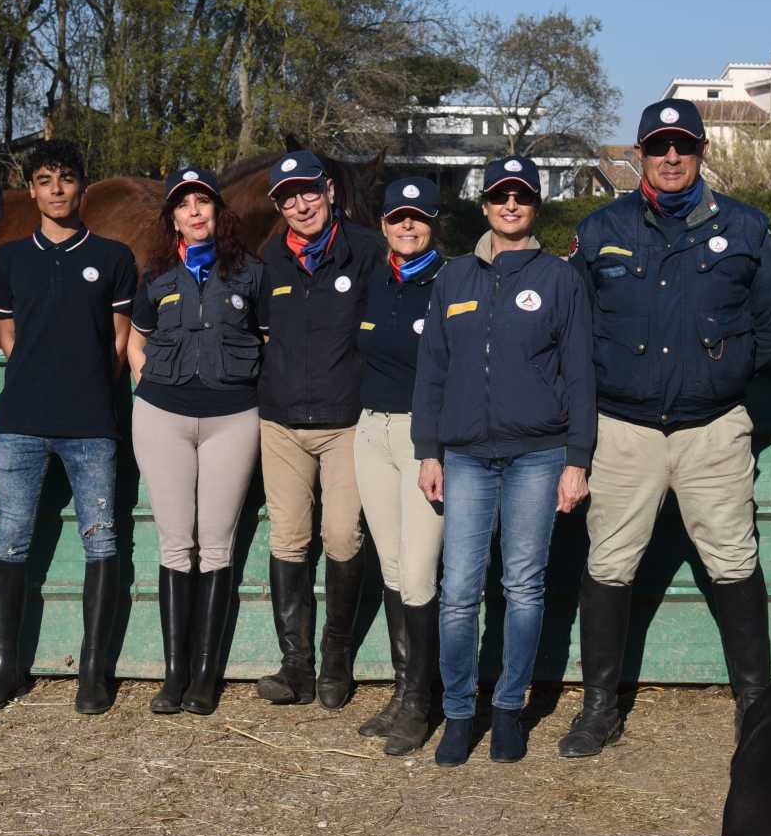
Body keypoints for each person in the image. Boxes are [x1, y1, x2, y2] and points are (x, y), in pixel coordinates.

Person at [566, 101, 771, 754]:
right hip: (623, 428)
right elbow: (573, 325)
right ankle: (600, 706)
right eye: (657, 146)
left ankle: (756, 706)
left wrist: (724, 373)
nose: (669, 157)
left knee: (734, 561)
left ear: (702, 150)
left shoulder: (746, 227)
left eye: (682, 146)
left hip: (712, 428)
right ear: (637, 154)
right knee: (608, 563)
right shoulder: (599, 228)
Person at [413, 156, 595, 766]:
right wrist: (427, 450)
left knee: (523, 586)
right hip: (464, 457)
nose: (510, 206)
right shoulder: (453, 278)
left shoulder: (560, 278)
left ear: (535, 205)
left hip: (538, 457)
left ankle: (511, 707)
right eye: (499, 197)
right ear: (484, 205)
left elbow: (580, 375)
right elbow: (432, 371)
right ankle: (460, 714)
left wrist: (578, 458)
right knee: (459, 590)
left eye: (521, 196)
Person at [0, 139, 136, 716]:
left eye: (66, 178)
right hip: (21, 424)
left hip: (92, 424)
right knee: (12, 538)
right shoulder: (10, 258)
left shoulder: (114, 257)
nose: (57, 189)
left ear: (82, 185)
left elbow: (117, 340)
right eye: (44, 179)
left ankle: (93, 673)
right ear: (32, 190)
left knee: (103, 541)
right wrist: (34, 379)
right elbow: (8, 336)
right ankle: (6, 668)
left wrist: (86, 385)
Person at [127, 167, 265, 716]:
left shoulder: (250, 274)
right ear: (173, 219)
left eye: (202, 202)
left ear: (218, 212)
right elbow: (135, 341)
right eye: (183, 205)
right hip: (164, 418)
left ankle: (206, 676)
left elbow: (268, 341)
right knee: (174, 542)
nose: (194, 212)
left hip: (234, 418)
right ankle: (173, 675)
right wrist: (146, 387)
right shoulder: (156, 277)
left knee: (215, 544)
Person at [254, 150, 385, 708]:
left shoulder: (368, 250)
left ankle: (337, 661)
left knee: (340, 535)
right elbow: (261, 336)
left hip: (347, 421)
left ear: (329, 190)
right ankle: (295, 666)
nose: (300, 204)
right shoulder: (268, 261)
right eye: (287, 197)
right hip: (281, 423)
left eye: (308, 191)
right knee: (288, 539)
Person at [352, 175, 448, 755]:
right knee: (389, 565)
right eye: (396, 218)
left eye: (417, 217)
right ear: (383, 224)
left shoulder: (451, 281)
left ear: (434, 222)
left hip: (424, 437)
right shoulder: (375, 281)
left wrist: (437, 443)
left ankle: (422, 699)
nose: (407, 226)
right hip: (371, 430)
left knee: (418, 571)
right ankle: (403, 688)